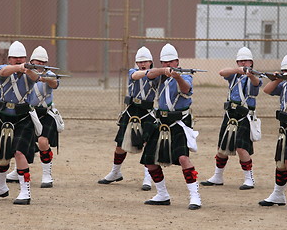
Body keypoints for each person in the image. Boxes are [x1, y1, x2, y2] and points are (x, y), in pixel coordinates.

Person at [140, 43, 201, 210]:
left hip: (179, 122)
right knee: (150, 160)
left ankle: (195, 195)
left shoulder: (185, 76)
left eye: (171, 62)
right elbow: (149, 75)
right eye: (165, 62)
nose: (168, 65)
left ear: (177, 62)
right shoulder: (159, 75)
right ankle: (162, 194)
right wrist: (163, 71)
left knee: (183, 158)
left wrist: (177, 76)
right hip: (161, 122)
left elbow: (186, 89)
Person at [0, 41, 41, 205]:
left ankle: (25, 191)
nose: (18, 59)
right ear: (9, 58)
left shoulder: (31, 72)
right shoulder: (3, 69)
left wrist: (28, 69)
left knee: (19, 152)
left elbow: (36, 77)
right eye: (15, 58)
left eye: (21, 57)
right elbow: (4, 71)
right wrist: (19, 67)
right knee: (1, 154)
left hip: (23, 117)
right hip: (3, 116)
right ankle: (0, 187)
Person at [200, 46, 262, 190]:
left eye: (246, 61)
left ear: (251, 62)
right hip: (230, 114)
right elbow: (222, 72)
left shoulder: (255, 77)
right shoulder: (234, 75)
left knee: (241, 147)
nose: (244, 63)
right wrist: (238, 71)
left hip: (244, 115)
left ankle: (249, 178)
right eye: (241, 61)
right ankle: (218, 176)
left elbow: (255, 84)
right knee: (222, 147)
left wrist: (250, 74)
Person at [97, 46, 157, 191]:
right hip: (132, 110)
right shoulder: (133, 72)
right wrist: (150, 72)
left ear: (151, 62)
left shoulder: (157, 75)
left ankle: (148, 177)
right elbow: (136, 76)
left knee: (148, 144)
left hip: (147, 111)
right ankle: (115, 172)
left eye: (146, 62)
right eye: (139, 62)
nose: (142, 64)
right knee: (120, 144)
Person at [6, 46, 61, 188]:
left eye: (43, 61)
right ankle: (15, 171)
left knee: (43, 142)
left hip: (46, 114)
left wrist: (45, 79)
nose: (40, 64)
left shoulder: (50, 74)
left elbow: (54, 83)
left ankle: (47, 174)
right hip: (30, 113)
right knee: (20, 144)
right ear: (31, 61)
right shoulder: (26, 74)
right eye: (37, 61)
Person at [258, 53, 287, 210]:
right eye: (285, 70)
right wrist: (278, 78)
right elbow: (266, 90)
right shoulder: (283, 85)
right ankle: (278, 194)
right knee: (281, 164)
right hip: (285, 128)